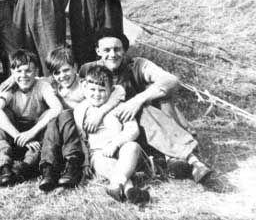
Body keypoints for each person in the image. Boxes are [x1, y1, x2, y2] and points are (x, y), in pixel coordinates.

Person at [79, 28, 212, 183]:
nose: (112, 54)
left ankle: (185, 160)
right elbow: (75, 94)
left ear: (124, 50)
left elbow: (171, 80)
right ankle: (187, 158)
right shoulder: (89, 69)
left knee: (156, 99)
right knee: (144, 111)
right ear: (98, 51)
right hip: (113, 131)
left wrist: (137, 100)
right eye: (107, 50)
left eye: (117, 49)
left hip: (143, 124)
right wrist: (101, 112)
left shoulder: (137, 65)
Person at [37, 46, 126, 191]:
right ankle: (49, 170)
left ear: (75, 67)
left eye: (66, 70)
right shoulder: (53, 85)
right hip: (65, 133)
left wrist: (101, 112)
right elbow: (33, 78)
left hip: (83, 133)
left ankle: (72, 167)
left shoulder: (85, 84)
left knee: (64, 114)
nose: (62, 76)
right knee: (53, 119)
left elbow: (119, 90)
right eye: (57, 72)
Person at [74, 65, 150, 204]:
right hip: (99, 154)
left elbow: (133, 130)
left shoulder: (120, 106)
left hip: (122, 148)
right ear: (85, 88)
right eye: (92, 89)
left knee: (132, 147)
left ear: (111, 90)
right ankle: (128, 190)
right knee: (106, 163)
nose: (97, 94)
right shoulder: (80, 110)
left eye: (102, 90)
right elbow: (81, 138)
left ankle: (116, 184)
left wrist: (115, 144)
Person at [0, 49, 69, 187]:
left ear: (36, 72)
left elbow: (57, 108)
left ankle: (26, 167)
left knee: (49, 118)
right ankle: (5, 166)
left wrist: (31, 133)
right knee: (3, 119)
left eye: (28, 71)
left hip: (35, 133)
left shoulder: (42, 85)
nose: (24, 75)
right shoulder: (9, 86)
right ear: (12, 72)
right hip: (15, 134)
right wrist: (18, 136)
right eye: (19, 71)